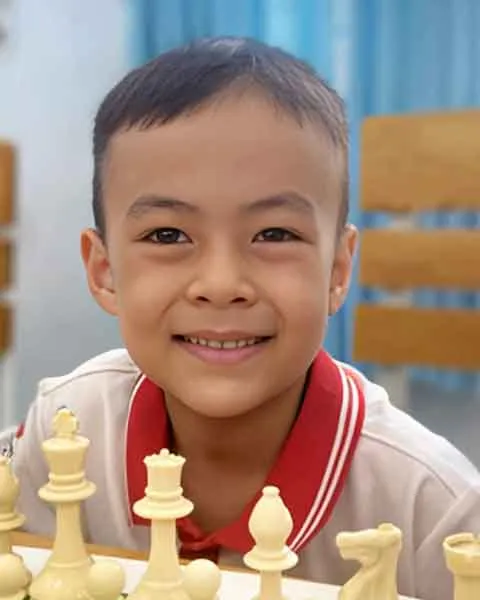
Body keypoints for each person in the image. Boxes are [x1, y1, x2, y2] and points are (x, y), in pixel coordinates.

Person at [11, 37, 480, 600]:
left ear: (336, 270)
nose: (221, 284)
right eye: (168, 235)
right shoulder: (65, 425)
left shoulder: (435, 509)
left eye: (274, 234)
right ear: (105, 271)